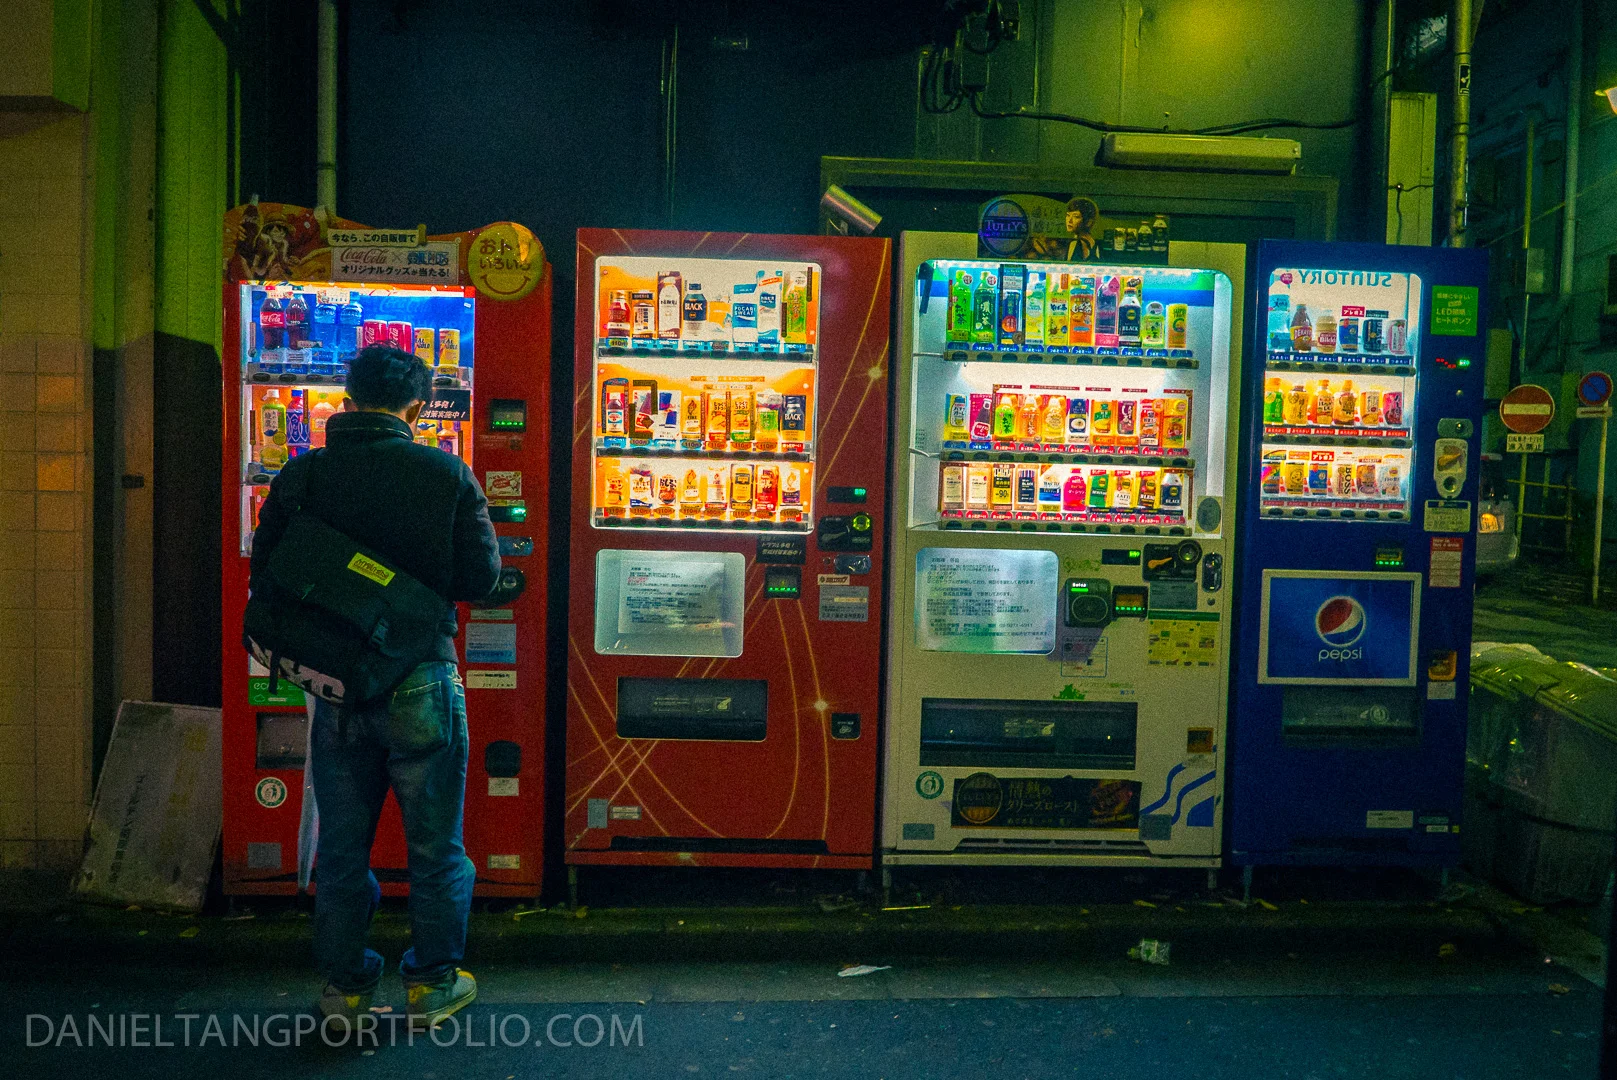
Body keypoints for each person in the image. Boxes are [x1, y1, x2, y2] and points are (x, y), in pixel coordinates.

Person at [249, 345, 500, 1029]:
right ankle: (431, 984)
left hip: (337, 685)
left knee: (340, 847)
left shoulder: (303, 473)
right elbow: (481, 578)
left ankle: (347, 990)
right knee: (435, 846)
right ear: (415, 408)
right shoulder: (446, 472)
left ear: (348, 399)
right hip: (420, 676)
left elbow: (266, 573)